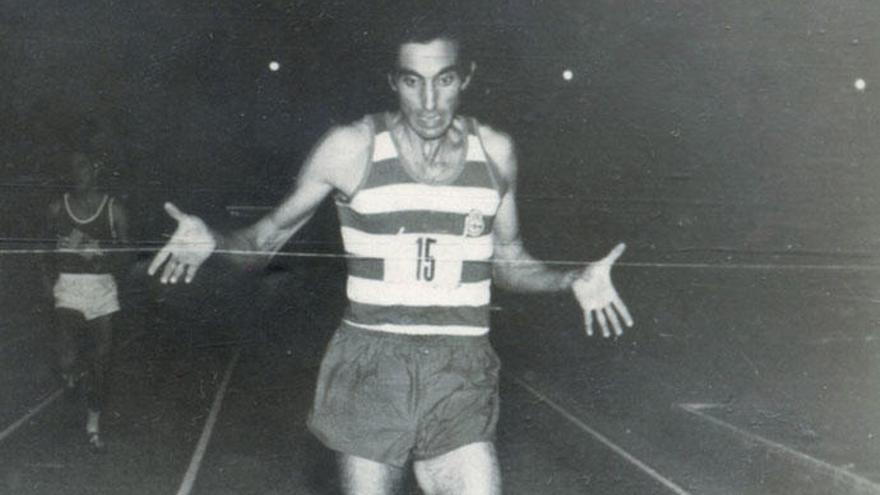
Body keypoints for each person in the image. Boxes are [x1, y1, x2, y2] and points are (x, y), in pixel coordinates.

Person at [148, 19, 633, 494]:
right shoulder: (350, 149)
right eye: (412, 82)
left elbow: (507, 260)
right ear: (392, 82)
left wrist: (570, 280)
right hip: (371, 366)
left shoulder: (496, 154)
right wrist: (214, 240)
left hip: (459, 365)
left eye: (443, 81)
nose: (428, 103)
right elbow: (263, 242)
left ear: (466, 77)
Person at [43, 151, 130, 453]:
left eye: (81, 166)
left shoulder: (113, 209)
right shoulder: (58, 208)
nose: (75, 172)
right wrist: (47, 285)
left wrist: (100, 253)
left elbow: (129, 255)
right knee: (66, 359)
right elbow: (41, 251)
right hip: (68, 285)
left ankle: (93, 425)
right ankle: (72, 371)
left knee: (101, 364)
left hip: (102, 290)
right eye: (71, 167)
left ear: (96, 169)